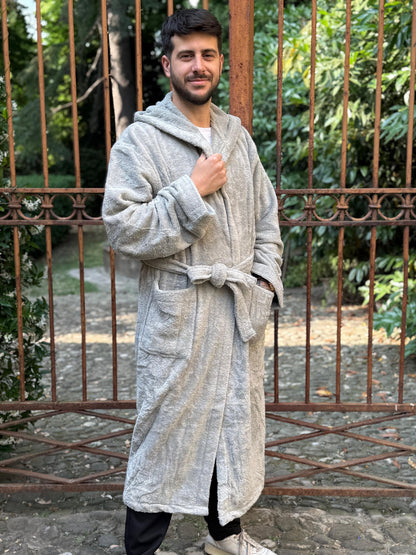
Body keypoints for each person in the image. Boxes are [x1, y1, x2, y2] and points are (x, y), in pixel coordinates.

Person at [102, 8, 283, 555]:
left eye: (207, 54)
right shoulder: (140, 141)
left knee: (232, 421)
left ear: (220, 62)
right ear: (167, 65)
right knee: (164, 434)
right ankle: (142, 551)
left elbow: (266, 219)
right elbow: (123, 228)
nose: (197, 65)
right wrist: (190, 189)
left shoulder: (237, 138)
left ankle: (224, 536)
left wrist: (264, 281)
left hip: (236, 309)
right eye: (186, 56)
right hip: (179, 313)